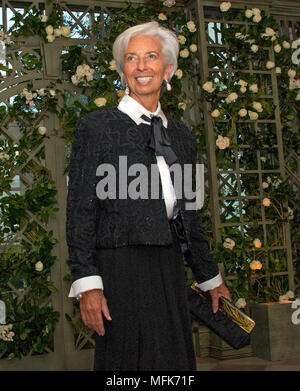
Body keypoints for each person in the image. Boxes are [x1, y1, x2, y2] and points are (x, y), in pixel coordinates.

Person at [66, 21, 231, 371]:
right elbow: (80, 211)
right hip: (119, 272)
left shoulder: (183, 136)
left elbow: (191, 217)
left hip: (169, 269)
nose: (142, 66)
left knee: (173, 366)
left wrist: (210, 280)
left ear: (167, 69)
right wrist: (87, 285)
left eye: (151, 57)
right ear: (123, 69)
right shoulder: (96, 128)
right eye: (131, 58)